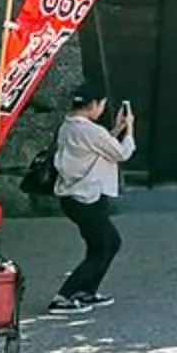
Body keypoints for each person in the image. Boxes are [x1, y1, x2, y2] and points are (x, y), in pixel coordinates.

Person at [47, 87, 135, 312]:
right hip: (87, 198)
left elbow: (100, 147)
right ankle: (63, 297)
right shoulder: (91, 131)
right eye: (102, 105)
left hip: (76, 196)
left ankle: (86, 292)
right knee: (105, 245)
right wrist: (130, 130)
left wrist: (116, 129)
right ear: (94, 104)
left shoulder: (68, 126)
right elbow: (121, 153)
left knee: (105, 244)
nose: (102, 109)